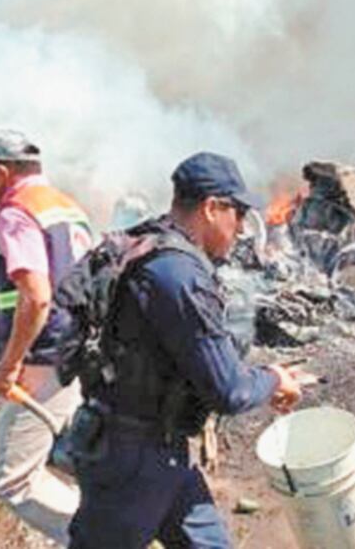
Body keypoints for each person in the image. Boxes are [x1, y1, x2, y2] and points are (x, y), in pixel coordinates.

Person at [69, 151, 308, 549]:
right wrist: (274, 379)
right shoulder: (178, 274)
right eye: (238, 214)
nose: (241, 228)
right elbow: (228, 390)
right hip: (132, 459)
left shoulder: (151, 244)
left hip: (160, 449)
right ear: (213, 208)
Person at [0, 130, 93, 545]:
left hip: (45, 358)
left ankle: (99, 536)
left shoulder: (16, 212)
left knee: (13, 480)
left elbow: (36, 298)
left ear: (2, 172)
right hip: (79, 351)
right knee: (61, 460)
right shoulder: (67, 206)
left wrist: (10, 364)